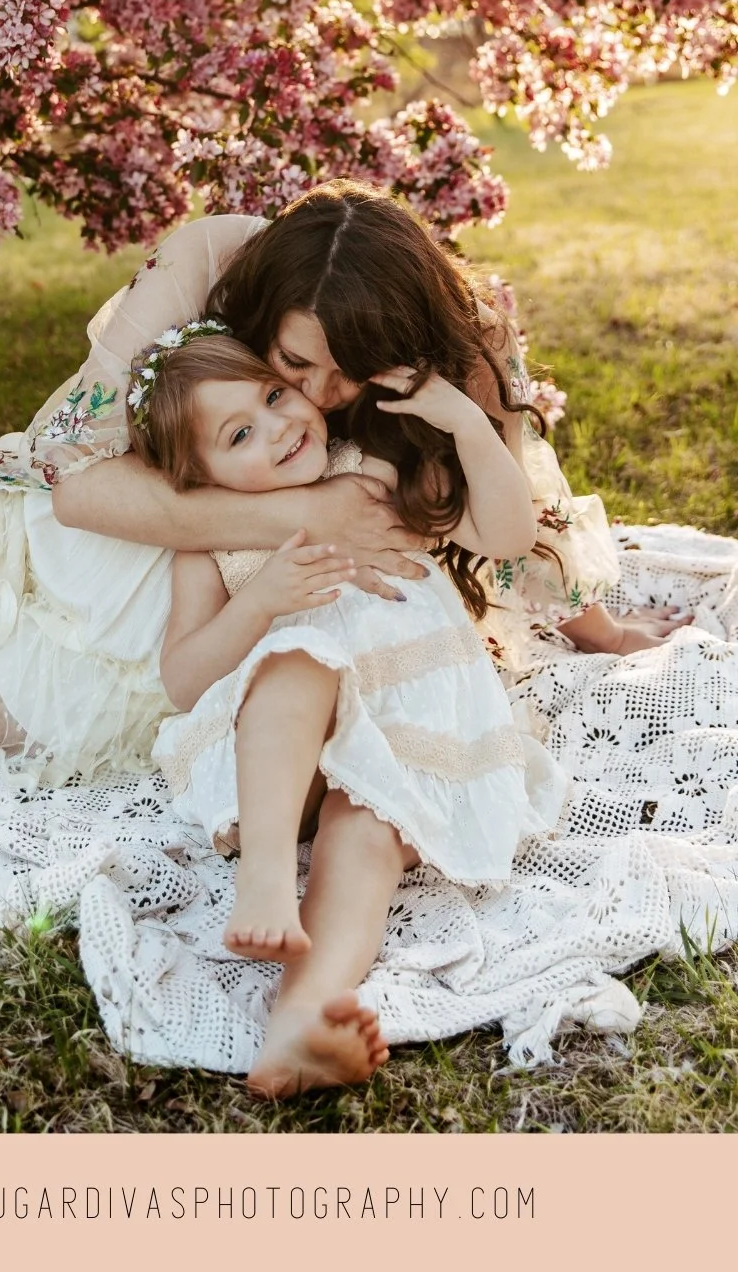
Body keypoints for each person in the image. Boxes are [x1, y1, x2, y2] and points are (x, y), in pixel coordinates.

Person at [0, 182, 683, 829]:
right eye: (291, 367)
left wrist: (592, 623)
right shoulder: (211, 258)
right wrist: (298, 515)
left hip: (197, 602)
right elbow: (69, 468)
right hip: (105, 511)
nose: (321, 403)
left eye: (353, 382)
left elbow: (514, 532)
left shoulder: (461, 348)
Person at [124, 322, 567, 1097]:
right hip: (279, 766)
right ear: (199, 475)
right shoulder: (211, 538)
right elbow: (186, 680)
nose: (280, 424)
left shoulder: (367, 470)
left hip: (405, 726)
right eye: (239, 433)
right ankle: (265, 875)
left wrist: (464, 419)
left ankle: (301, 1018)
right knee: (302, 658)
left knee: (365, 835)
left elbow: (505, 533)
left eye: (273, 394)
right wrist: (261, 599)